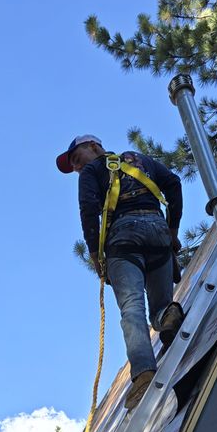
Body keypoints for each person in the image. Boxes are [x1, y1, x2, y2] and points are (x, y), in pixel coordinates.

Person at [56, 135, 184, 410]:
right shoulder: (140, 160)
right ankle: (169, 316)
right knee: (161, 308)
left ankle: (144, 374)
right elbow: (173, 183)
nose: (78, 168)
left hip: (124, 239)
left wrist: (95, 254)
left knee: (131, 308)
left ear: (94, 147)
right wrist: (172, 232)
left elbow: (89, 209)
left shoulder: (92, 171)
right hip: (157, 233)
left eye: (78, 160)